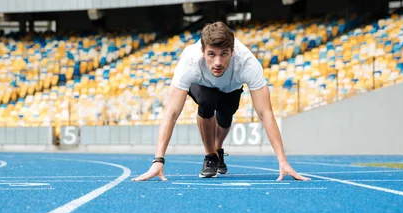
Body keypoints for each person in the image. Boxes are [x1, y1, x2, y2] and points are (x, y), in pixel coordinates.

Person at [132, 21, 310, 182]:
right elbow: (171, 113)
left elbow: (265, 113)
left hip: (231, 89)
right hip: (202, 86)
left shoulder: (248, 64)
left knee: (225, 118)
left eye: (224, 54)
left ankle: (218, 149)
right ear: (202, 51)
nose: (217, 62)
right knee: (207, 101)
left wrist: (283, 161)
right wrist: (158, 161)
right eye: (211, 54)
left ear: (233, 51)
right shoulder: (190, 61)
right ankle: (210, 155)